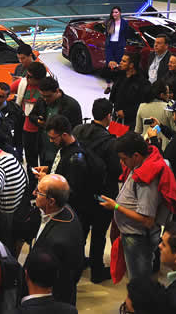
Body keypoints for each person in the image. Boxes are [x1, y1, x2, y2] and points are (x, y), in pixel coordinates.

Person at [99, 132, 176, 282]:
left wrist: (116, 206)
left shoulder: (147, 178)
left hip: (138, 237)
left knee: (139, 280)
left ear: (136, 155)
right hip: (134, 234)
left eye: (124, 159)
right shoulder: (141, 164)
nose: (122, 163)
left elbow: (147, 220)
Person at [72, 98, 121, 283]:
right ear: (109, 116)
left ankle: (76, 264)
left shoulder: (78, 130)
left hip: (79, 191)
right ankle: (97, 271)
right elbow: (116, 170)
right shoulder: (110, 142)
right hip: (102, 194)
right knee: (99, 233)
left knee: (81, 230)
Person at [29, 174, 84, 305]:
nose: (34, 193)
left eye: (38, 192)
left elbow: (56, 281)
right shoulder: (64, 209)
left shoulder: (56, 241)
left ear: (51, 201)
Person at [36, 116, 89, 245]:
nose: (51, 140)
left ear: (64, 135)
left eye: (53, 138)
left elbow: (70, 191)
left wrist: (47, 180)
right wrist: (49, 170)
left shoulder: (76, 159)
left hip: (66, 212)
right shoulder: (65, 148)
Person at [31, 77, 83, 167]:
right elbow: (32, 115)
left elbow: (77, 130)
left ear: (57, 91)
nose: (45, 99)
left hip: (61, 153)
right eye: (43, 96)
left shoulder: (71, 106)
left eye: (48, 96)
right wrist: (37, 121)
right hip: (44, 150)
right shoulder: (41, 100)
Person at [12, 61, 48, 170]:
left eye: (30, 76)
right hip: (28, 127)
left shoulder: (47, 87)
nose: (27, 78)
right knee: (31, 160)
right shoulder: (22, 83)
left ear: (39, 79)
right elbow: (6, 90)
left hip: (44, 128)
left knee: (45, 159)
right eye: (27, 75)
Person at [110, 53, 150, 126]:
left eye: (124, 61)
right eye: (121, 60)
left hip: (131, 121)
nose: (120, 63)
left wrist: (126, 113)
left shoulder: (142, 82)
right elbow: (103, 74)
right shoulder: (120, 76)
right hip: (116, 117)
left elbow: (142, 104)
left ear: (131, 65)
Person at [135, 80, 176, 148]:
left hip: (146, 146)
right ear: (162, 95)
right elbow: (174, 129)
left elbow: (138, 131)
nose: (169, 95)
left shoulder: (141, 106)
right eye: (167, 93)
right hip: (164, 146)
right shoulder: (168, 108)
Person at [105, 6, 130, 74]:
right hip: (110, 45)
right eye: (113, 12)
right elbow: (106, 34)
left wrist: (123, 42)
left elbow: (126, 34)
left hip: (119, 45)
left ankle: (117, 77)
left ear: (120, 13)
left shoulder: (124, 22)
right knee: (110, 63)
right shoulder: (109, 21)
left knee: (118, 63)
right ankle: (109, 78)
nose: (114, 14)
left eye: (116, 12)